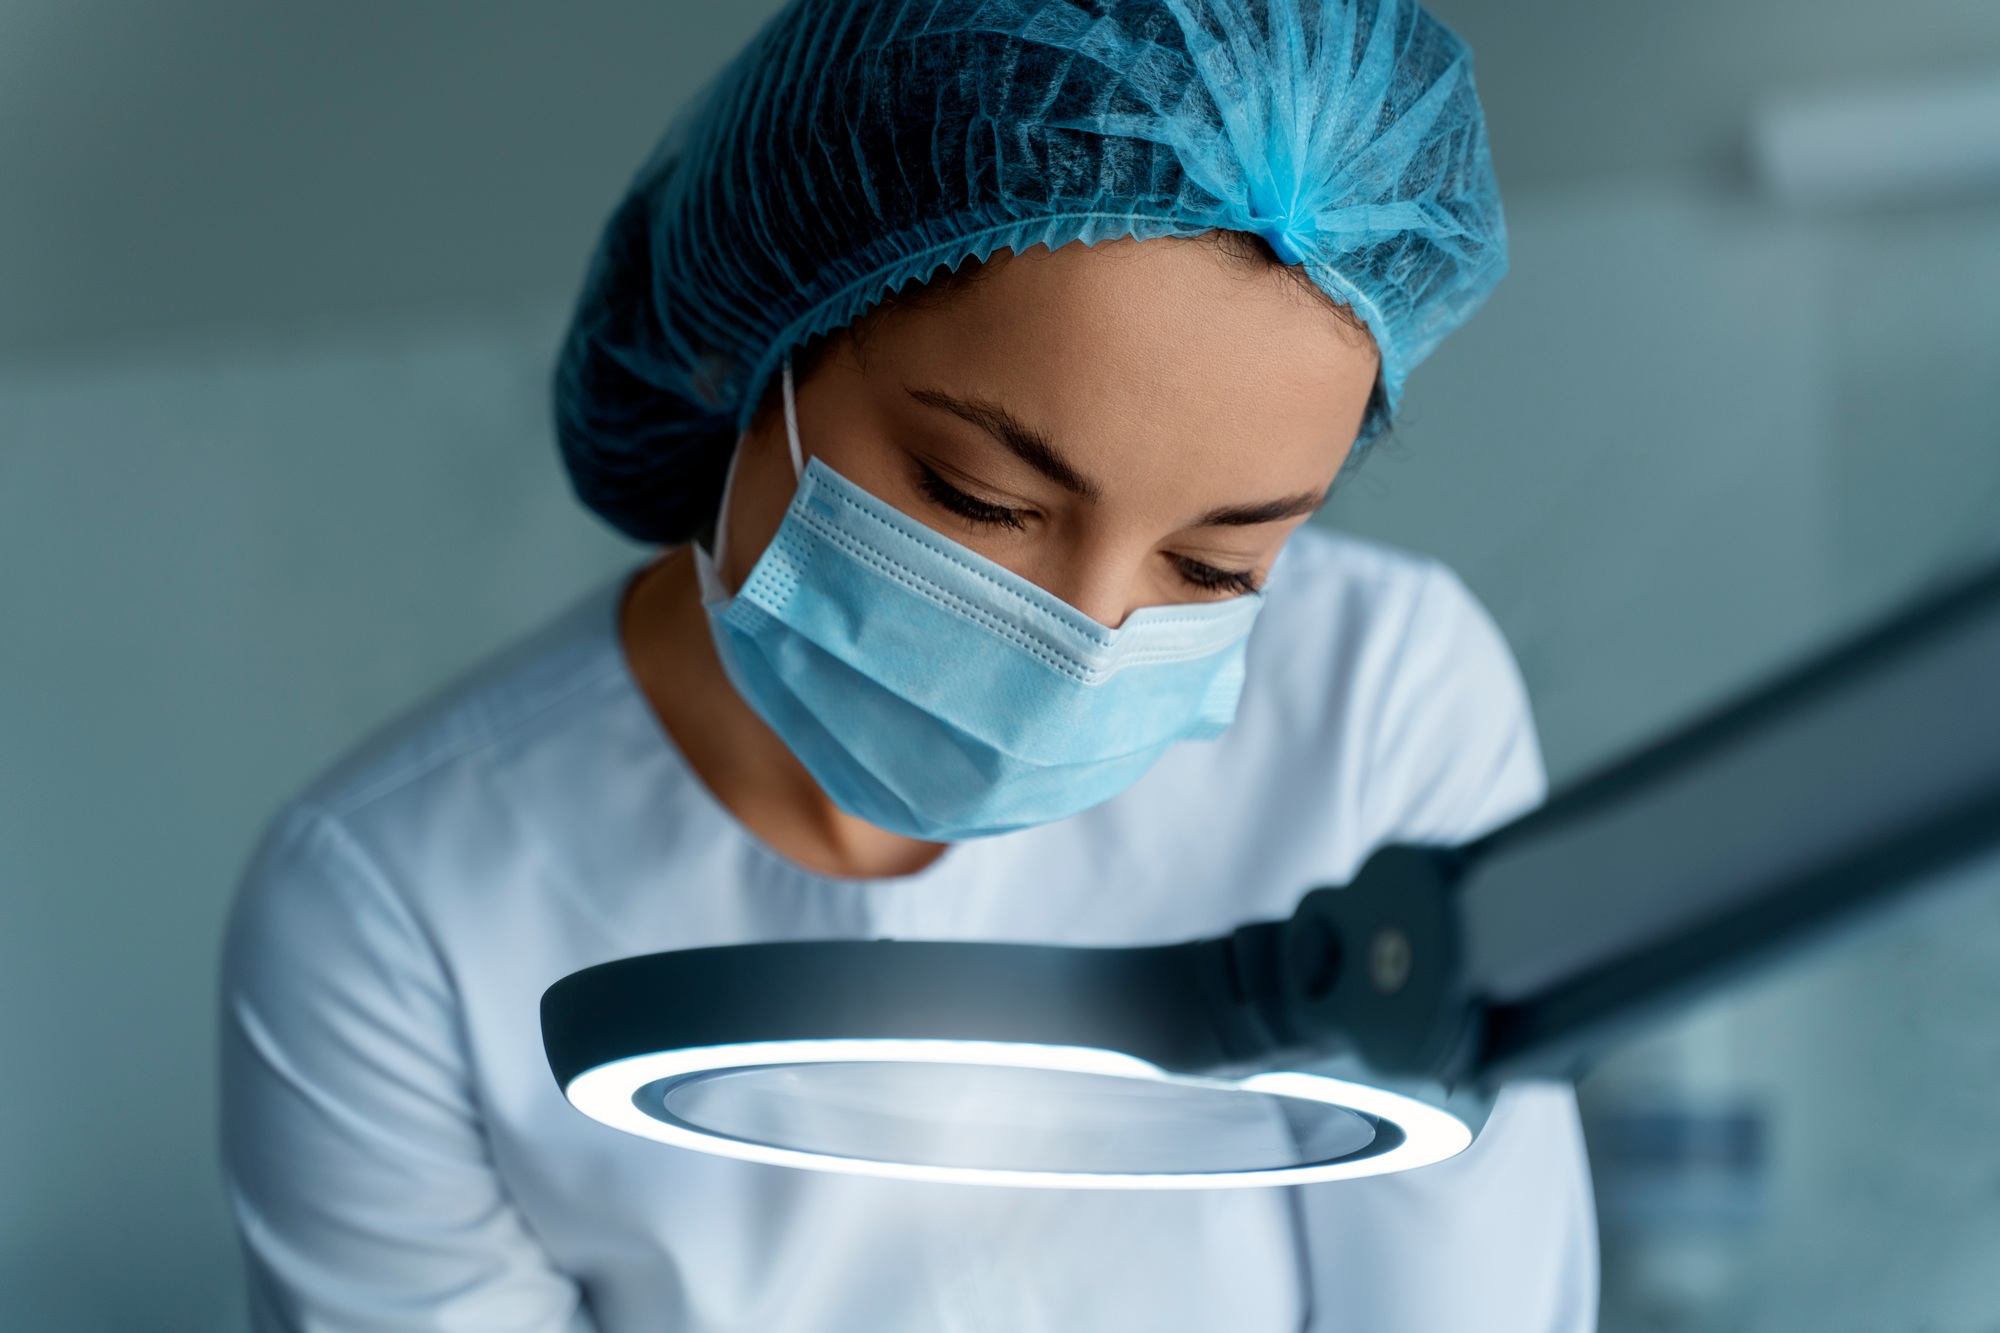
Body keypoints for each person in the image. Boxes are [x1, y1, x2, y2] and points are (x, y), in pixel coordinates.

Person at [220, 1, 1598, 1329]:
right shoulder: (393, 905)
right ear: (742, 346)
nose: (1084, 645)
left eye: (1214, 566)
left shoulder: (1381, 695)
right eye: (979, 494)